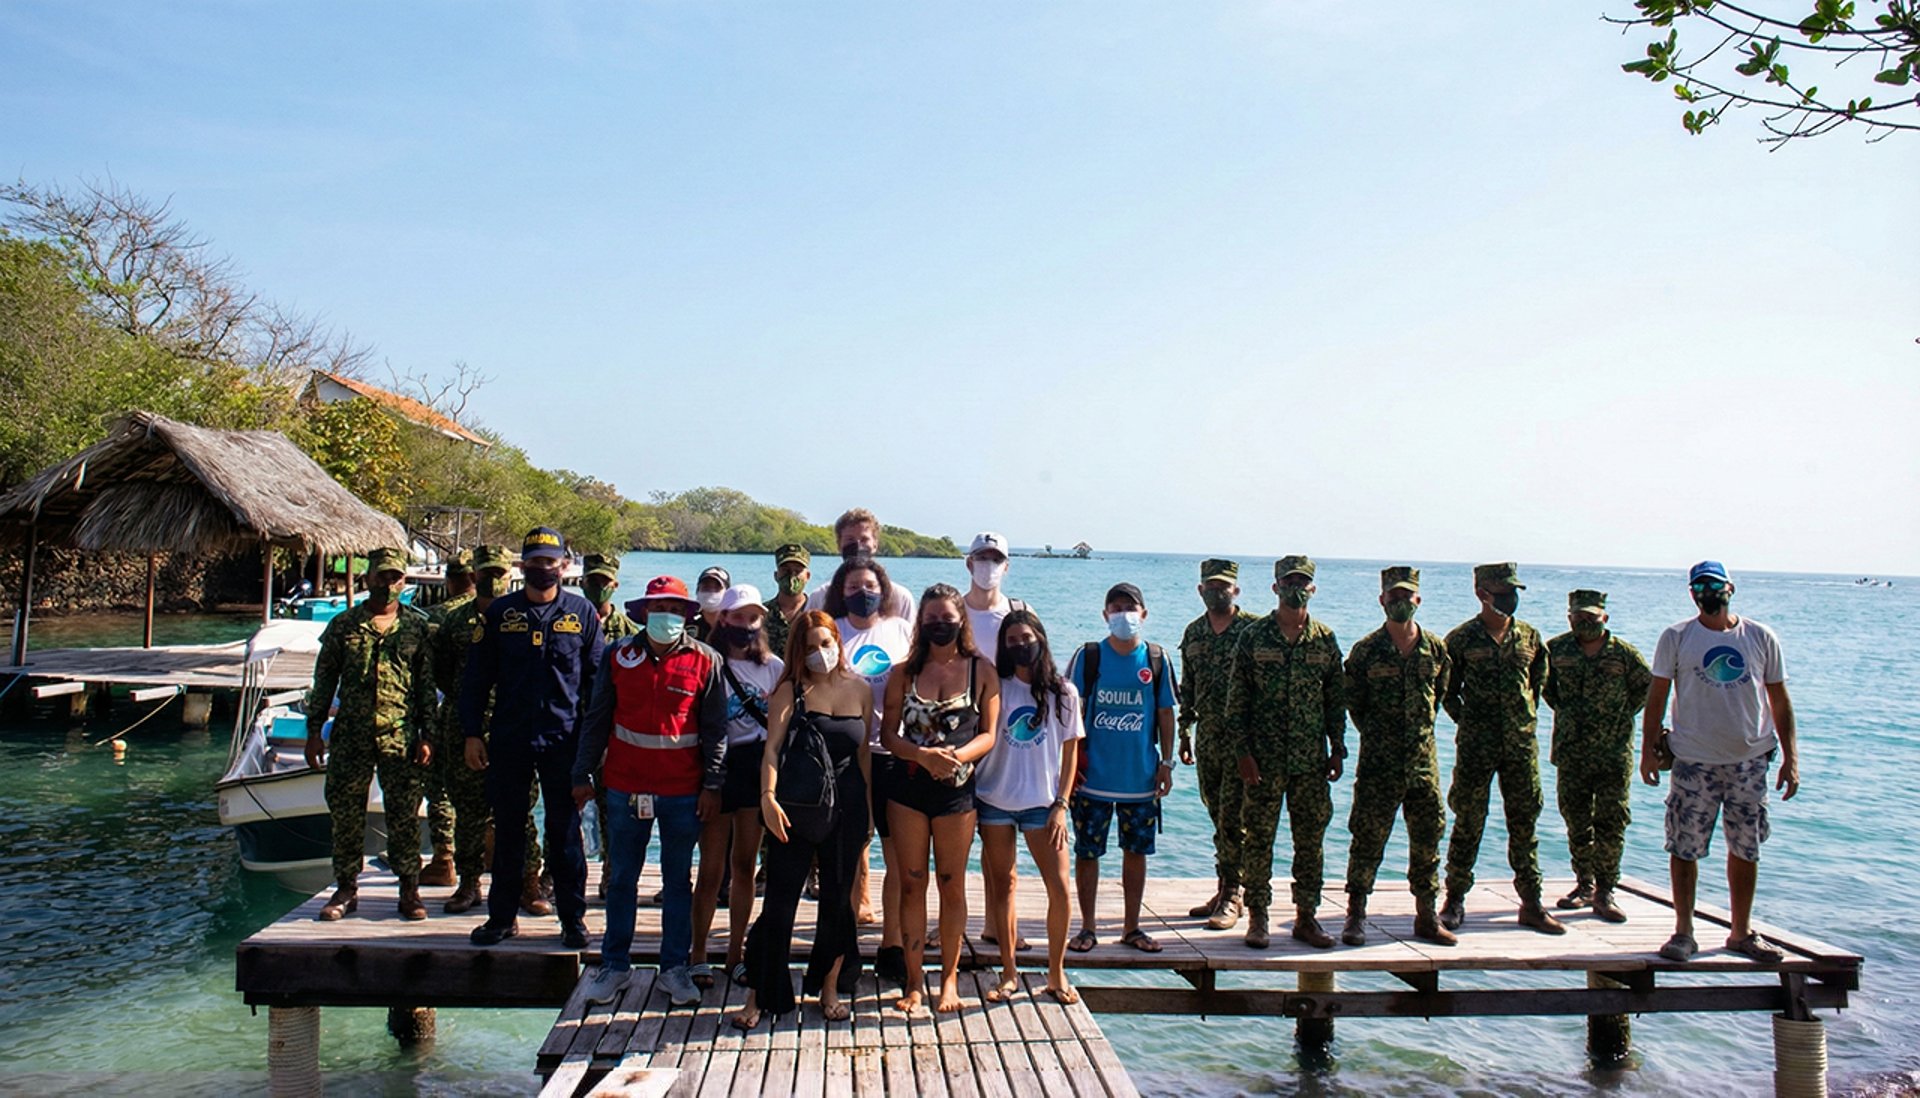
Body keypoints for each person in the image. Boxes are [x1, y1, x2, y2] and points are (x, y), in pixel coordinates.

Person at [571, 575, 727, 1007]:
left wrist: (713, 784)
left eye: (677, 610)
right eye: (660, 609)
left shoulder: (706, 661)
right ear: (643, 613)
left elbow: (716, 731)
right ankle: (614, 966)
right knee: (622, 878)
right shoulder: (618, 656)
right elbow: (597, 718)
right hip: (625, 787)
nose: (669, 617)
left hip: (683, 790)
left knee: (678, 880)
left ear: (687, 616)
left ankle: (674, 969)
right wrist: (582, 773)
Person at [1641, 561, 1799, 964]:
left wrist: (1791, 758)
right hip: (1693, 760)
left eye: (1715, 585)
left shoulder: (1760, 637)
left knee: (1746, 848)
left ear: (1730, 588)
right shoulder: (1677, 637)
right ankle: (1683, 931)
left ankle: (1741, 932)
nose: (1708, 592)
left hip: (1749, 760)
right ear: (1692, 593)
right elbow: (1656, 697)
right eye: (1700, 586)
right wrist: (1646, 751)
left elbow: (1779, 700)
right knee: (1684, 847)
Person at [462, 527, 604, 950]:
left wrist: (596, 749)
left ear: (564, 565)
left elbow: (598, 686)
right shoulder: (500, 613)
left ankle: (572, 920)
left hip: (565, 742)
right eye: (536, 561)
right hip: (509, 740)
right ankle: (501, 918)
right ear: (522, 565)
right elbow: (475, 680)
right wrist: (472, 733)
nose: (544, 568)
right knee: (508, 833)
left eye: (551, 561)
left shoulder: (581, 614)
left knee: (565, 835)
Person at [731, 612, 872, 1029]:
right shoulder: (790, 690)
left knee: (837, 903)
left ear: (838, 643)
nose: (819, 654)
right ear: (798, 651)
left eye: (825, 644)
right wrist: (768, 799)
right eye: (810, 647)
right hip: (795, 806)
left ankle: (828, 987)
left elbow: (863, 758)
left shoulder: (861, 689)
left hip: (846, 807)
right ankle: (760, 992)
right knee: (779, 903)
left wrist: (867, 815)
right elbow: (771, 750)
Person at [880, 584, 1000, 1013]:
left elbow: (989, 732)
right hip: (908, 788)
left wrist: (956, 757)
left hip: (956, 793)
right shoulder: (903, 672)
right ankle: (914, 982)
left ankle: (947, 979)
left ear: (961, 620)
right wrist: (923, 756)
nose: (938, 624)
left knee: (952, 884)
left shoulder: (981, 670)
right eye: (930, 618)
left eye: (947, 617)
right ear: (920, 623)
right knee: (912, 884)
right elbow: (887, 735)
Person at [306, 547, 437, 921]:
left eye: (395, 577)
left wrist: (427, 734)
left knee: (404, 815)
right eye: (381, 577)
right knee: (346, 815)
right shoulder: (343, 626)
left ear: (404, 581)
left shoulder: (416, 627)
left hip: (401, 736)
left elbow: (425, 687)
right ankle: (346, 888)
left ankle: (409, 890)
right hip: (351, 735)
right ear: (368, 579)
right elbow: (323, 682)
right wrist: (314, 731)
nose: (388, 584)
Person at [1223, 556, 1345, 950]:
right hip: (1264, 760)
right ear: (1275, 587)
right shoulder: (1254, 637)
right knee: (1259, 839)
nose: (1296, 588)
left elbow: (1334, 699)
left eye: (1303, 582)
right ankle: (1258, 917)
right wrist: (1242, 752)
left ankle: (1306, 918)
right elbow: (1236, 701)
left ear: (1313, 588)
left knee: (1310, 841)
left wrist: (1337, 747)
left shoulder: (1325, 639)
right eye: (1289, 581)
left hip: (1311, 760)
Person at [1440, 563, 1564, 935]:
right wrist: (1472, 721)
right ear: (1482, 593)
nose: (1510, 598)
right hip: (1477, 747)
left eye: (1514, 591)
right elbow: (1447, 691)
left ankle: (1531, 903)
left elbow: (1538, 686)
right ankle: (1454, 900)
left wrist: (1520, 722)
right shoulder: (1461, 640)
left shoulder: (1529, 637)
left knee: (1525, 824)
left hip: (1520, 747)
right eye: (1502, 590)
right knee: (1468, 822)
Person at [1340, 567, 1456, 947]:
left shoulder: (1435, 649)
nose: (1400, 602)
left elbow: (1439, 695)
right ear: (1382, 601)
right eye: (1393, 597)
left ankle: (1426, 915)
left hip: (1423, 764)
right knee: (1367, 839)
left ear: (1418, 600)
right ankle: (1355, 915)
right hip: (1378, 763)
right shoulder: (1366, 650)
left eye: (1407, 596)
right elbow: (1353, 701)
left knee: (1428, 839)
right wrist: (1378, 734)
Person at [975, 609, 1083, 1006]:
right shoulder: (995, 686)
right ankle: (1008, 972)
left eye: (1027, 637)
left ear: (1041, 637)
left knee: (1059, 887)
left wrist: (1062, 804)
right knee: (1003, 887)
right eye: (1012, 640)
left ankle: (1056, 972)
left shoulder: (1064, 692)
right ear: (1004, 646)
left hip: (1043, 805)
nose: (1021, 645)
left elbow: (1070, 752)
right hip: (994, 801)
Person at [1065, 583, 1178, 954]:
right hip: (1093, 779)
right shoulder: (1089, 656)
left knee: (1136, 852)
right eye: (1115, 608)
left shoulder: (1156, 659)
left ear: (1144, 614)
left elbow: (1165, 713)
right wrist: (1067, 768)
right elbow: (1070, 711)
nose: (1123, 614)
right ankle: (1086, 927)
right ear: (1105, 615)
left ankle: (1132, 927)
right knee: (1087, 852)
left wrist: (1166, 763)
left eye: (1130, 607)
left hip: (1140, 780)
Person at [431, 545, 543, 914]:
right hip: (466, 727)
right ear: (473, 576)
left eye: (500, 573)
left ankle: (529, 883)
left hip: (514, 725)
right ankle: (468, 883)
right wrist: (469, 723)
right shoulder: (454, 621)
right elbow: (443, 673)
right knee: (468, 809)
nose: (494, 580)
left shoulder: (525, 618)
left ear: (510, 575)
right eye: (486, 573)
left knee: (520, 810)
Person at [826, 556, 915, 981]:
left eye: (869, 585)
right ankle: (843, 950)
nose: (862, 593)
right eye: (852, 587)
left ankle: (892, 944)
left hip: (894, 757)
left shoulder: (900, 629)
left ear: (883, 588)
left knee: (898, 856)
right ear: (840, 592)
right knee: (844, 857)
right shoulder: (832, 632)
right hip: (845, 759)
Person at [1544, 589, 1652, 923]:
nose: (1585, 622)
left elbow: (1646, 689)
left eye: (1592, 616)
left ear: (1605, 617)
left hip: (1612, 754)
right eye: (1579, 616)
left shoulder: (1623, 654)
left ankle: (1606, 890)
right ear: (1569, 617)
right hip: (1572, 752)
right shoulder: (1555, 650)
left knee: (1611, 821)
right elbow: (1546, 689)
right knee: (1575, 820)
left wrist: (1619, 716)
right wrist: (1570, 714)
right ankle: (1584, 884)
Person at [691, 585, 778, 989]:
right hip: (716, 768)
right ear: (722, 620)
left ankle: (735, 954)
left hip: (755, 767)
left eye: (753, 618)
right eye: (737, 617)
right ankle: (698, 954)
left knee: (744, 864)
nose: (745, 625)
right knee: (711, 868)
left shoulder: (773, 667)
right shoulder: (706, 663)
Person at [1176, 558, 1260, 930]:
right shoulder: (1194, 633)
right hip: (1208, 736)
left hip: (1245, 741)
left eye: (1224, 586)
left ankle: (1233, 894)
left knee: (1234, 817)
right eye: (1210, 586)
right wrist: (1184, 733)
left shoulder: (1255, 630)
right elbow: (1188, 688)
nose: (1216, 592)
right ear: (1200, 590)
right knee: (1216, 813)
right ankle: (1225, 884)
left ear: (1236, 590)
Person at [419, 548, 475, 887]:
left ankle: (444, 858)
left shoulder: (433, 618)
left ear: (451, 581)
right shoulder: (497, 614)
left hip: (448, 710)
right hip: (494, 714)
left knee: (439, 786)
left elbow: (428, 675)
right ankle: (489, 851)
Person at [806, 508, 914, 620]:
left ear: (875, 544)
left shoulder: (900, 597)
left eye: (864, 539)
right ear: (839, 545)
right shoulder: (819, 597)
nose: (857, 545)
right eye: (850, 540)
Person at [960, 532, 1026, 662]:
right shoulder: (953, 614)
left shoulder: (1020, 612)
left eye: (997, 560)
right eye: (982, 558)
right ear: (969, 564)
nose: (989, 565)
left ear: (1006, 567)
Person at [764, 544, 811, 658]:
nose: (791, 576)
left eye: (797, 571)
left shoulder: (815, 610)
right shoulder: (761, 613)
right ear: (776, 575)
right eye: (786, 570)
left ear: (807, 576)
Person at [583, 553, 640, 641]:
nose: (599, 585)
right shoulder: (568, 622)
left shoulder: (626, 628)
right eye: (592, 581)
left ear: (615, 585)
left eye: (605, 581)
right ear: (581, 583)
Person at [691, 566, 730, 643]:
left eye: (716, 588)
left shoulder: (736, 624)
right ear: (697, 591)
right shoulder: (689, 623)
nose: (710, 592)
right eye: (706, 587)